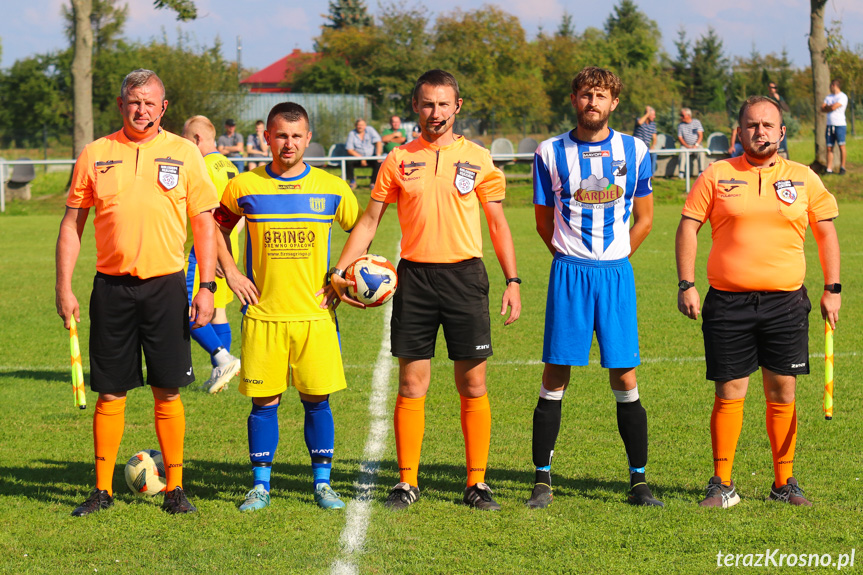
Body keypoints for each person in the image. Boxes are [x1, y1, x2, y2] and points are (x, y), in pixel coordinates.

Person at [329, 69, 521, 511]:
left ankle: (477, 483)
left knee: (473, 384)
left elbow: (497, 224)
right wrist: (338, 272)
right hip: (414, 279)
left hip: (465, 278)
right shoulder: (397, 159)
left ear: (457, 107)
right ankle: (406, 482)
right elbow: (370, 222)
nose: (436, 113)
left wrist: (512, 280)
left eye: (444, 104)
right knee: (412, 383)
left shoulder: (479, 158)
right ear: (416, 107)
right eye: (428, 104)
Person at [55, 69, 218, 516]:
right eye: (133, 101)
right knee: (110, 394)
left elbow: (204, 222)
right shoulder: (96, 154)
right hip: (111, 289)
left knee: (167, 391)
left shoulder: (185, 153)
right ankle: (102, 490)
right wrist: (63, 286)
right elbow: (72, 224)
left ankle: (175, 489)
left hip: (166, 287)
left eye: (149, 102)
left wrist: (206, 285)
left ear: (163, 107)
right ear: (121, 105)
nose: (141, 109)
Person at [676, 95, 840, 508]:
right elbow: (688, 227)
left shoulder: (804, 178)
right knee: (729, 390)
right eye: (752, 125)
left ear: (781, 132)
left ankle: (784, 483)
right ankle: (723, 483)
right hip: (728, 303)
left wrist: (832, 289)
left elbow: (826, 236)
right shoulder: (716, 174)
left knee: (783, 390)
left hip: (786, 303)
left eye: (768, 125)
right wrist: (686, 283)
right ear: (740, 131)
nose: (760, 131)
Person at [213, 102, 361, 512]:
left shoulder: (332, 187)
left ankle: (322, 483)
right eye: (281, 135)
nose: (289, 143)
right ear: (267, 138)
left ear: (309, 138)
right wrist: (232, 273)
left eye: (297, 136)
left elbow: (362, 228)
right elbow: (214, 228)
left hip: (316, 316)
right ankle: (260, 486)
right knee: (264, 404)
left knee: (318, 401)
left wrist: (341, 273)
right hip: (264, 316)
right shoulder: (244, 186)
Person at [527, 66, 660, 510]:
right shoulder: (549, 153)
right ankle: (542, 480)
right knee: (555, 374)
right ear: (574, 99)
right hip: (569, 272)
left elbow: (644, 219)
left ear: (614, 103)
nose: (592, 103)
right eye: (585, 94)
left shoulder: (636, 150)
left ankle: (639, 482)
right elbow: (543, 221)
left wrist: (617, 257)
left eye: (600, 95)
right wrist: (570, 257)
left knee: (624, 374)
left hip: (616, 274)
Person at [182, 115, 244, 393]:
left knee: (184, 309)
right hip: (230, 246)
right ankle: (223, 370)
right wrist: (227, 252)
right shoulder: (230, 166)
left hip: (204, 250)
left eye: (185, 139)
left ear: (196, 139)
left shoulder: (201, 165)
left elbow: (209, 216)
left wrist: (215, 254)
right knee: (218, 311)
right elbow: (238, 215)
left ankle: (222, 357)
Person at [345, 118, 383, 189]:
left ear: (365, 126)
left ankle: (373, 183)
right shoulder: (352, 134)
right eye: (358, 125)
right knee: (348, 162)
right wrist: (361, 158)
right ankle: (352, 182)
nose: (360, 127)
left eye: (362, 125)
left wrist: (378, 154)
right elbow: (349, 150)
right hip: (357, 157)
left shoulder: (370, 130)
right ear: (355, 126)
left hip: (371, 156)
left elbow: (378, 141)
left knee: (379, 162)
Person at [821, 79, 848, 175]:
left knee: (841, 145)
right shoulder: (829, 97)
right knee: (829, 147)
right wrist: (829, 107)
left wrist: (828, 107)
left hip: (840, 124)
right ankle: (829, 169)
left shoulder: (843, 96)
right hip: (829, 125)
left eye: (830, 86)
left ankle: (842, 167)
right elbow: (822, 108)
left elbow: (832, 107)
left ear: (834, 85)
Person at [677, 108, 706, 177]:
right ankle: (681, 172)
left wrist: (696, 145)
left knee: (701, 152)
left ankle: (701, 171)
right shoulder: (680, 125)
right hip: (685, 146)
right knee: (682, 151)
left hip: (696, 144)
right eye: (680, 115)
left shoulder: (697, 122)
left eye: (682, 115)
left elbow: (700, 135)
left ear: (688, 115)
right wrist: (687, 146)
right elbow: (680, 138)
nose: (681, 117)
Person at [767, 82, 791, 158]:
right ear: (768, 88)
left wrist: (779, 100)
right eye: (771, 87)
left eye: (774, 88)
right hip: (769, 123)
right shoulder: (766, 98)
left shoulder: (779, 98)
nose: (773, 89)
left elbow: (786, 109)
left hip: (779, 123)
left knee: (783, 144)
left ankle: (786, 160)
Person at [632, 105, 658, 175]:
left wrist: (653, 145)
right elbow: (640, 122)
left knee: (654, 154)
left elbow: (655, 138)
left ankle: (651, 174)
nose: (654, 117)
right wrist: (647, 113)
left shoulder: (653, 124)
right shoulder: (639, 120)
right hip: (636, 146)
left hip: (647, 146)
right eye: (653, 115)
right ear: (648, 115)